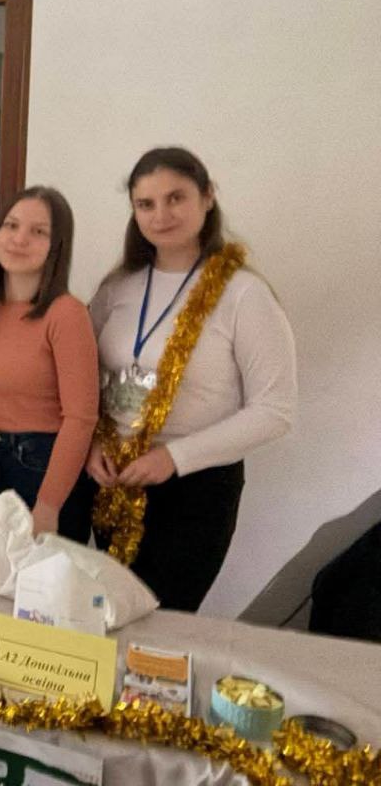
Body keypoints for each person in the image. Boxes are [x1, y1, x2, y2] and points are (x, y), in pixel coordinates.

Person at [87, 147, 296, 612]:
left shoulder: (244, 294)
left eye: (175, 198)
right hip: (116, 480)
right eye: (146, 204)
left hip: (195, 490)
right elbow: (85, 376)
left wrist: (174, 458)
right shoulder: (118, 287)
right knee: (109, 614)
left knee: (162, 620)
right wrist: (93, 443)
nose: (160, 215)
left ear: (207, 197)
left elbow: (275, 411)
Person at [0, 187, 99, 574]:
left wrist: (48, 504)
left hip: (39, 467)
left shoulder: (66, 313)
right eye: (11, 225)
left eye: (38, 232)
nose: (19, 239)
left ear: (57, 246)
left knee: (38, 591)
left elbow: (81, 418)